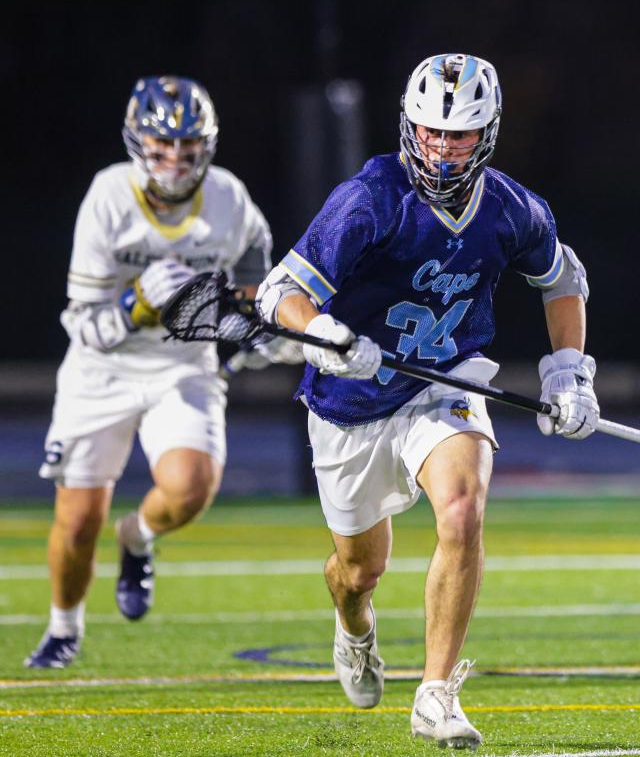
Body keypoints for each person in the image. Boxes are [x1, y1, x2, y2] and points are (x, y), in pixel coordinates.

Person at [256, 53, 599, 748]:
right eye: (432, 132)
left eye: (461, 135)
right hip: (350, 400)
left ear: (489, 134)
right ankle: (354, 628)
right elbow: (278, 295)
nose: (443, 148)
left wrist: (568, 372)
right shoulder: (370, 198)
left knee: (463, 507)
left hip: (446, 379)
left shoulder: (510, 208)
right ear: (410, 127)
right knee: (359, 572)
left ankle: (437, 695)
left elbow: (564, 279)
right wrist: (324, 331)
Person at [25, 75, 294, 669]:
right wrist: (137, 302)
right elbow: (85, 325)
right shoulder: (107, 198)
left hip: (182, 360)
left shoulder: (229, 199)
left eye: (188, 148)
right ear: (136, 144)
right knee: (76, 523)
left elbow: (255, 287)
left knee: (192, 488)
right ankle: (63, 626)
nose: (175, 161)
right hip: (102, 367)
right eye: (162, 147)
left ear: (208, 147)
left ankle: (137, 538)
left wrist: (258, 325)